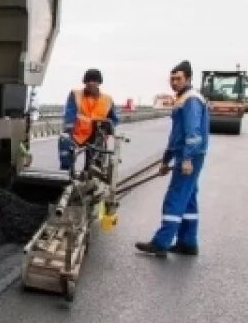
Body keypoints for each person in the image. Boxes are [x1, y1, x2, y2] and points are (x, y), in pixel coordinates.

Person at [135, 60, 210, 257]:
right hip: (185, 153)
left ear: (188, 79)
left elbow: (192, 133)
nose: (174, 82)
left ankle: (161, 242)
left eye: (178, 78)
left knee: (175, 197)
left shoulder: (191, 100)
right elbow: (176, 134)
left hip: (190, 155)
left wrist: (186, 159)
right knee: (189, 198)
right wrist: (166, 160)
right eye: (172, 78)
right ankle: (187, 242)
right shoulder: (182, 98)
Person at [59, 68, 120, 171]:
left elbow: (114, 119)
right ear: (84, 82)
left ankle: (91, 172)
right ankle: (66, 171)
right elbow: (70, 114)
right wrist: (69, 130)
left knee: (94, 165)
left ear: (99, 82)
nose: (91, 83)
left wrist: (108, 129)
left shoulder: (107, 99)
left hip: (97, 135)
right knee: (64, 140)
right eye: (88, 81)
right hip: (78, 134)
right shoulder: (76, 95)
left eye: (94, 81)